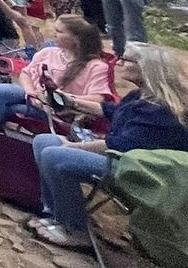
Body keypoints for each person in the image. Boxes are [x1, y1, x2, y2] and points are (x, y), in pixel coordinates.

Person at [30, 44, 188, 251]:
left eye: (125, 59)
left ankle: (75, 230)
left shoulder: (161, 111)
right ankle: (55, 213)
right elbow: (111, 111)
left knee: (54, 155)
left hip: (139, 173)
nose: (118, 63)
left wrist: (73, 146)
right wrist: (71, 102)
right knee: (44, 141)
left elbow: (118, 147)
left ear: (146, 68)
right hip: (122, 160)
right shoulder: (139, 96)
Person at [0, 16, 112, 171]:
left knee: (6, 109)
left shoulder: (96, 66)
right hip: (34, 98)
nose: (53, 34)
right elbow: (25, 73)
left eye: (59, 31)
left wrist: (60, 97)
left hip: (60, 113)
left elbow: (98, 99)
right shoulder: (49, 52)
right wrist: (32, 93)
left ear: (75, 38)